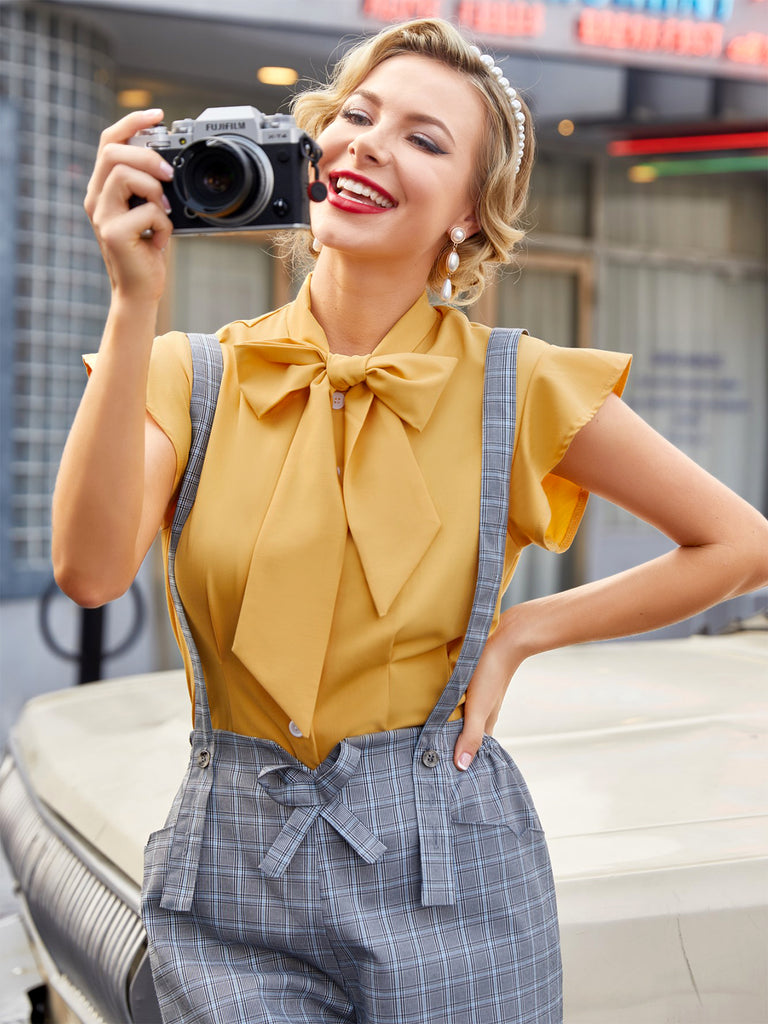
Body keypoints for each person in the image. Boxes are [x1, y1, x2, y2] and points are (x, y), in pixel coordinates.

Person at [52, 17, 768, 1024]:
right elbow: (88, 573)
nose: (369, 144)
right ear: (310, 151)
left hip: (455, 872)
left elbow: (739, 542)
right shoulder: (189, 372)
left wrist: (524, 632)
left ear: (470, 215)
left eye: (425, 139)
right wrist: (132, 306)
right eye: (356, 115)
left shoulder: (518, 386)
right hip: (230, 878)